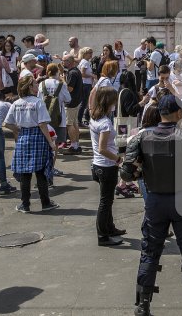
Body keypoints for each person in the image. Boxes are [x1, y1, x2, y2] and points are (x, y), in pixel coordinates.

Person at [120, 94, 182, 316]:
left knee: (149, 251)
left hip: (155, 200)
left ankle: (142, 305)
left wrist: (140, 170)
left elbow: (126, 174)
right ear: (179, 113)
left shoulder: (141, 137)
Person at [3, 75, 59, 213]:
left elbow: (7, 123)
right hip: (38, 137)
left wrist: (19, 130)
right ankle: (45, 203)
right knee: (40, 172)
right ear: (29, 86)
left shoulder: (17, 103)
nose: (36, 85)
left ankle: (25, 204)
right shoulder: (38, 102)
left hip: (23, 137)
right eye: (34, 83)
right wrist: (51, 142)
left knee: (25, 173)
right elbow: (42, 124)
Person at [89, 86, 127, 246]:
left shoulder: (95, 117)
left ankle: (109, 228)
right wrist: (118, 159)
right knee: (106, 202)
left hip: (98, 165)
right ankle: (103, 235)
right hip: (106, 166)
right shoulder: (104, 122)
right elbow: (102, 148)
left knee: (108, 200)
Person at [116, 71, 142, 197]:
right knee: (129, 155)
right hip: (129, 127)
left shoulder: (121, 90)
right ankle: (122, 184)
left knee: (127, 155)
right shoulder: (128, 92)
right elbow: (131, 110)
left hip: (122, 126)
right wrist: (142, 103)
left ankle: (127, 182)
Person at [61, 54, 83, 154]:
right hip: (76, 101)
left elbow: (69, 89)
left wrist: (62, 80)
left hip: (71, 102)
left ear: (69, 62)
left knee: (69, 124)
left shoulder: (73, 73)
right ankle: (76, 145)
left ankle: (74, 146)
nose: (62, 62)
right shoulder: (75, 71)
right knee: (74, 123)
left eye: (64, 60)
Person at [77, 47, 95, 126]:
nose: (91, 54)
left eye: (91, 52)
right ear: (85, 54)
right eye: (89, 53)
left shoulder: (85, 62)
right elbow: (82, 73)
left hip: (86, 84)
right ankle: (79, 120)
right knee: (84, 103)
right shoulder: (85, 62)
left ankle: (81, 119)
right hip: (85, 85)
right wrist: (92, 75)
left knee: (85, 103)